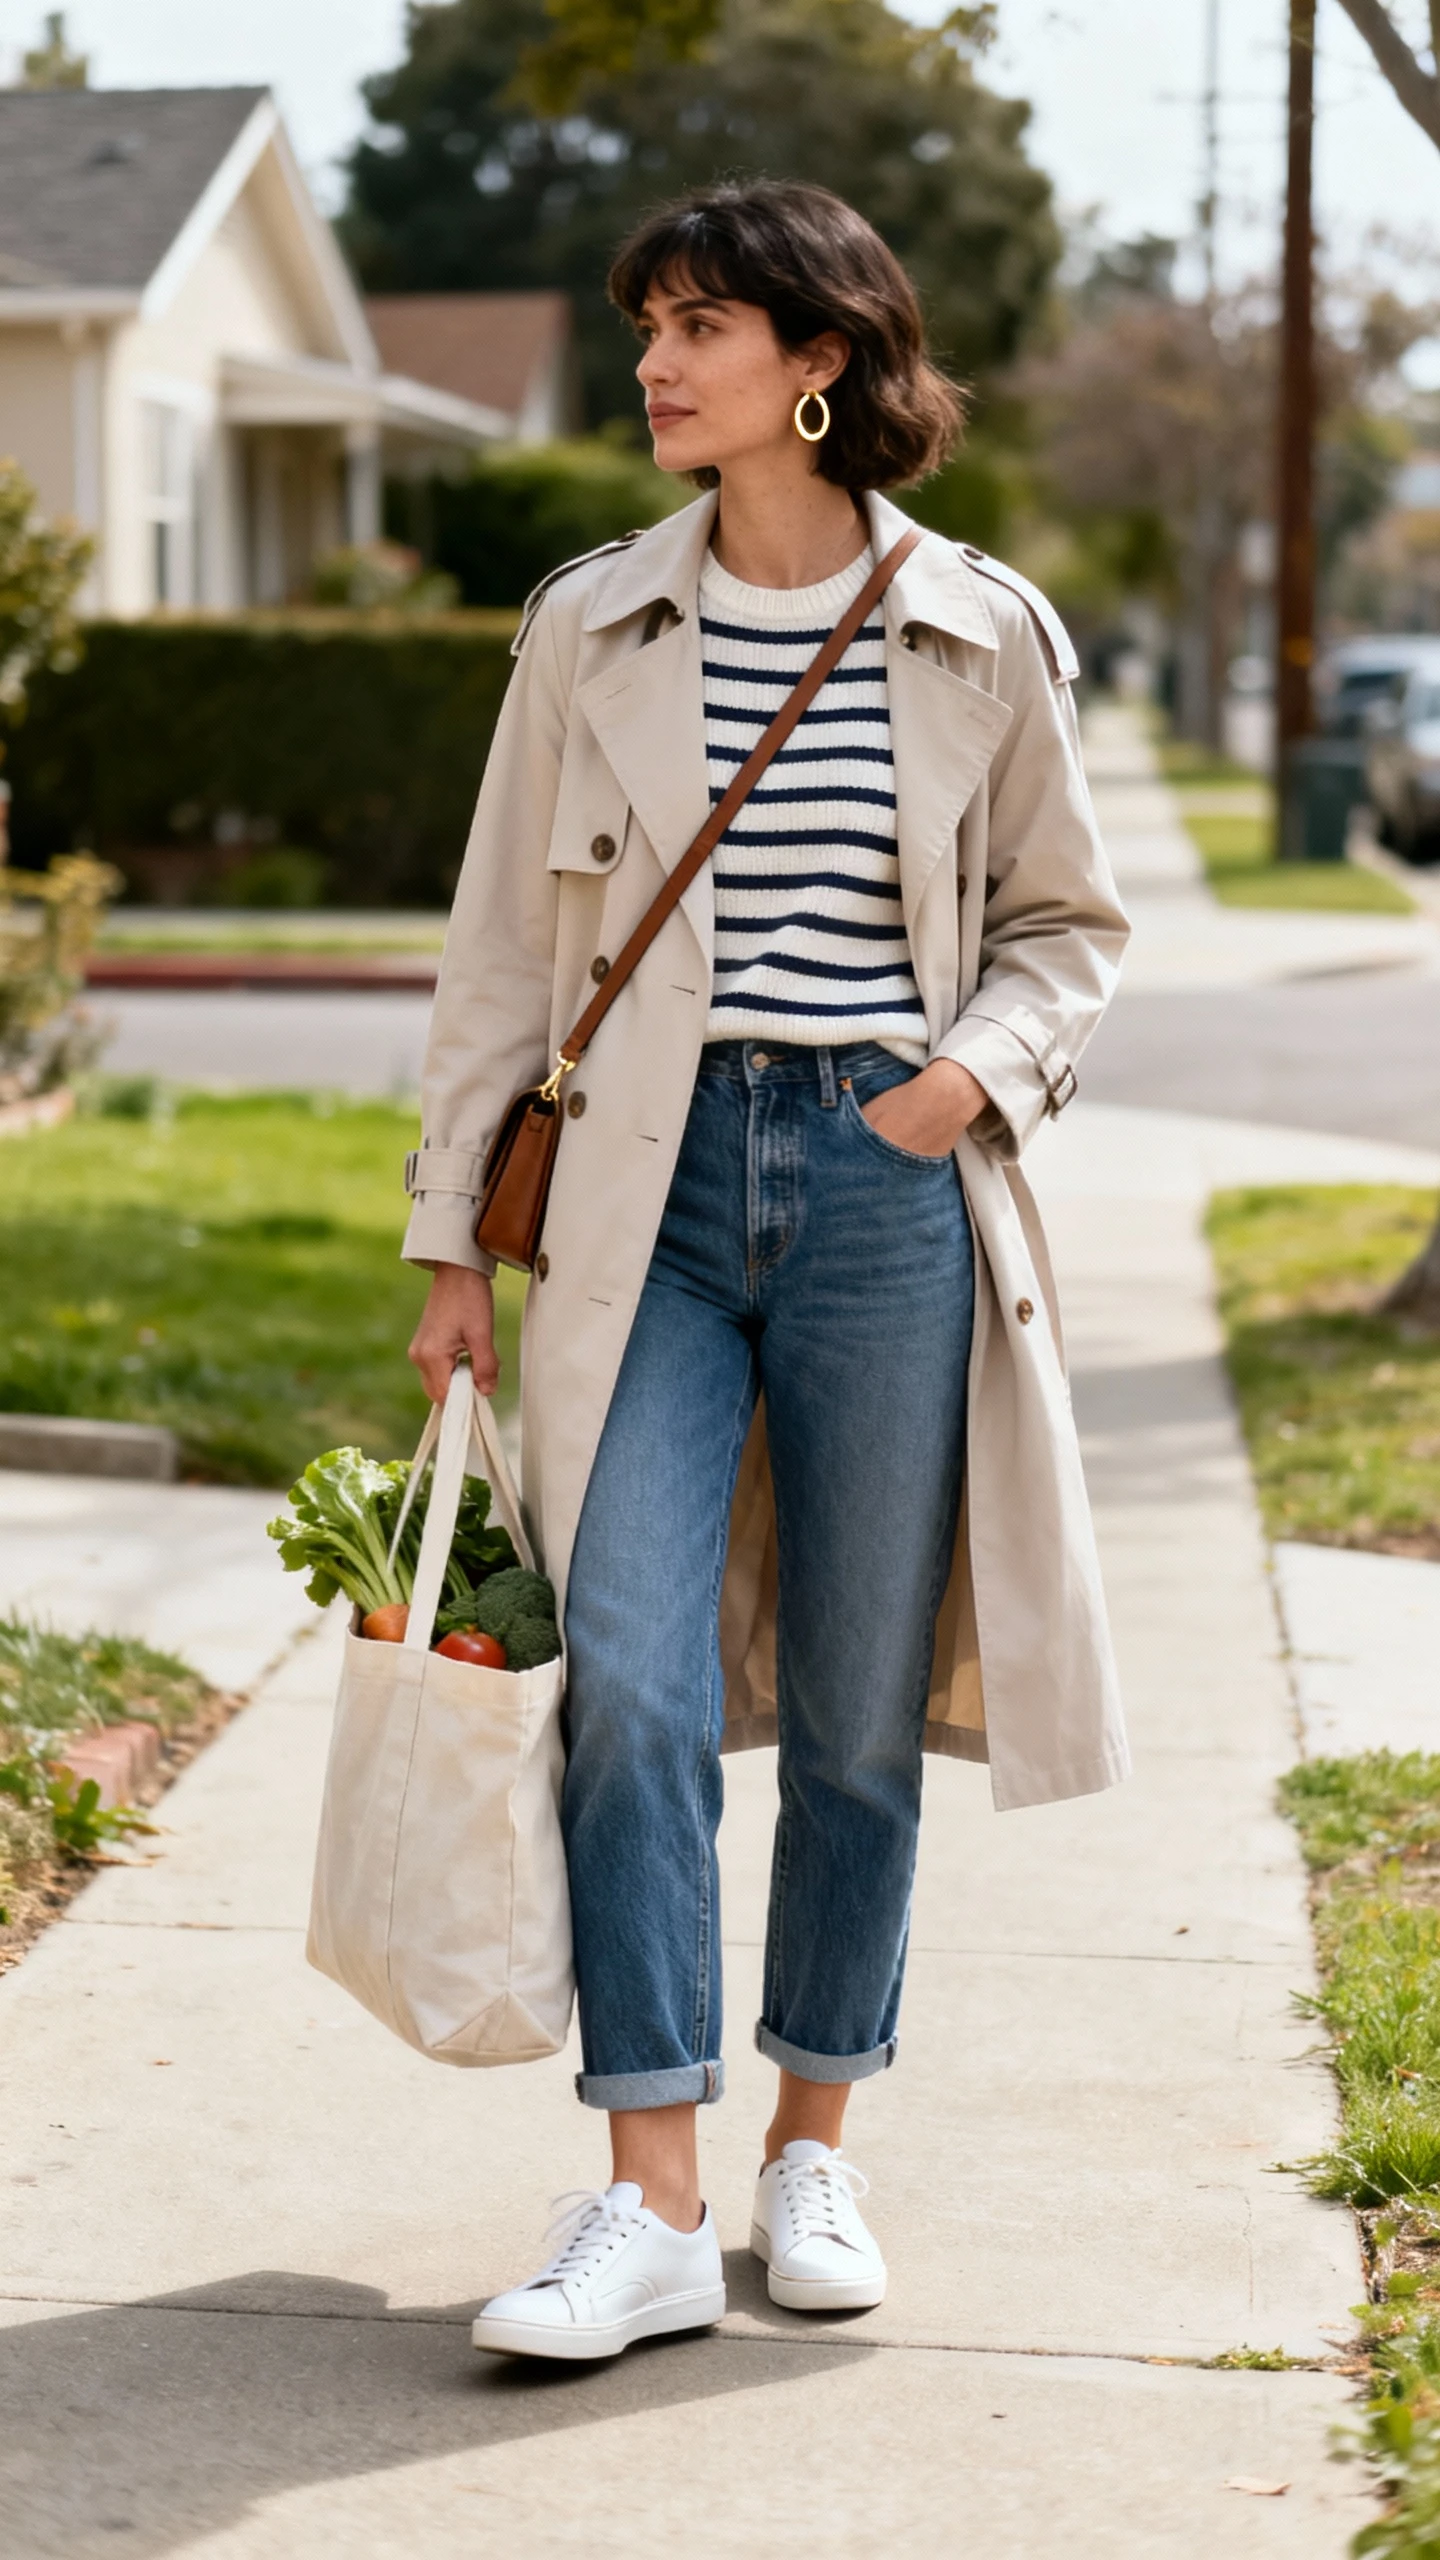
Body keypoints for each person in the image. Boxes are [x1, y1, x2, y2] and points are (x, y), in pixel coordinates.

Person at [404, 180, 1130, 2363]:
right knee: (621, 1674)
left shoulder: (982, 631)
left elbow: (1068, 928)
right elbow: (500, 957)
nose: (654, 361)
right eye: (650, 324)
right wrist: (450, 1230)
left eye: (699, 323)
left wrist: (958, 1084)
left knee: (851, 1698)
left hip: (889, 1185)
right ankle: (646, 2188)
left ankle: (816, 2138)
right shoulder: (592, 624)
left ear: (819, 364)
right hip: (647, 1185)